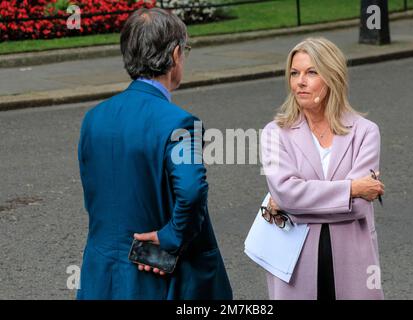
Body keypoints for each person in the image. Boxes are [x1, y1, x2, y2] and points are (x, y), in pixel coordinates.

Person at [77, 8, 232, 300]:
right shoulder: (180, 123)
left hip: (102, 272)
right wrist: (171, 236)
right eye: (185, 50)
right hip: (160, 276)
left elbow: (96, 193)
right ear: (175, 55)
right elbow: (192, 191)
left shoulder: (93, 118)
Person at [260, 37, 385, 300]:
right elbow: (287, 194)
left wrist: (293, 205)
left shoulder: (365, 132)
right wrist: (351, 189)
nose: (300, 82)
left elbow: (360, 207)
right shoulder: (275, 133)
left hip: (353, 259)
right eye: (294, 73)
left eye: (311, 72)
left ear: (332, 76)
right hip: (295, 260)